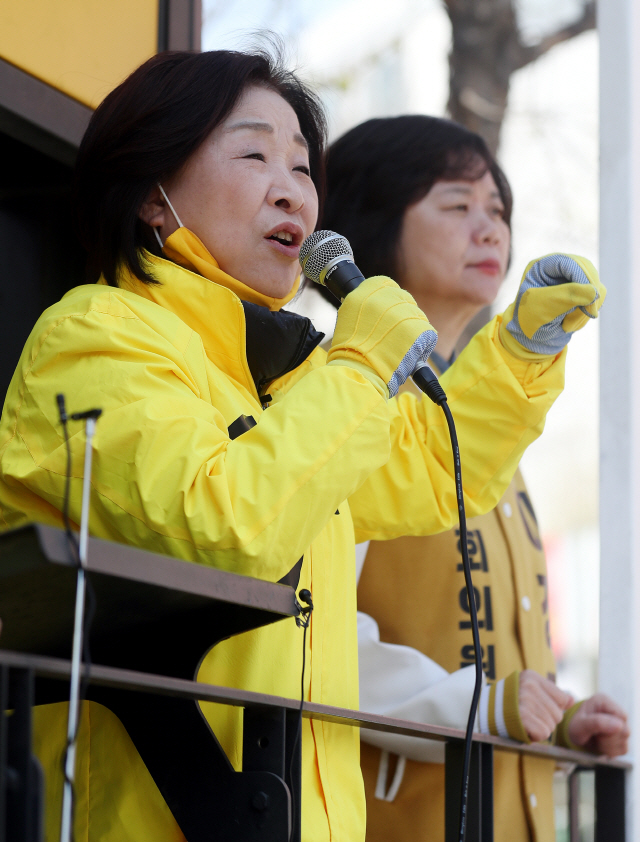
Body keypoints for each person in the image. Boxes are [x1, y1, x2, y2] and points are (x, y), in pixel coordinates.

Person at [0, 49, 602, 842]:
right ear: (153, 196)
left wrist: (520, 350)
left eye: (301, 165)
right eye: (253, 155)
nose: (292, 187)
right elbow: (220, 526)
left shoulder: (285, 371)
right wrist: (356, 363)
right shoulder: (95, 334)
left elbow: (423, 468)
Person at [320, 114, 627, 842]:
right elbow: (316, 637)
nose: (490, 230)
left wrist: (559, 722)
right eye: (457, 205)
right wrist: (484, 705)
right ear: (372, 224)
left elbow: (502, 673)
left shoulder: (489, 432)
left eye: (497, 210)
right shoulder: (334, 400)